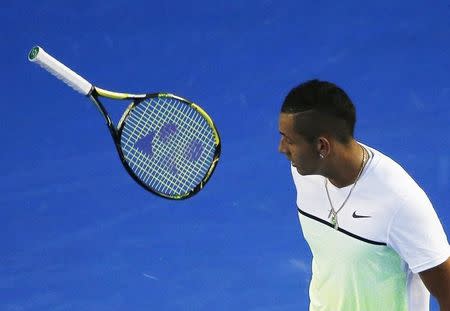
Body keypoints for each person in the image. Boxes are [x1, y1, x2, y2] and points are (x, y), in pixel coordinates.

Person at [278, 79, 450, 311]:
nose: (282, 148)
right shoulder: (304, 173)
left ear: (322, 147)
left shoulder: (400, 201)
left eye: (289, 140)